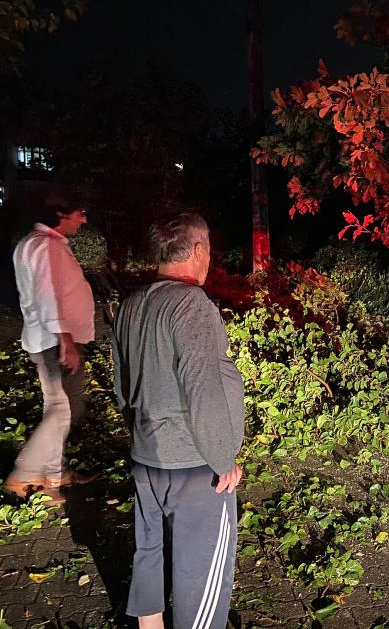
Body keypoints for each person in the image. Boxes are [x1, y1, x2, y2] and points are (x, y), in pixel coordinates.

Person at [112, 213, 244, 629]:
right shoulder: (191, 305)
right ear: (199, 250)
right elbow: (202, 386)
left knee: (149, 552)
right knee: (200, 573)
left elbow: (121, 387)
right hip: (194, 464)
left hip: (146, 457)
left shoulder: (132, 304)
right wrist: (223, 458)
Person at [4, 193, 98, 503]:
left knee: (57, 408)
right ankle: (26, 473)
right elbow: (47, 296)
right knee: (63, 410)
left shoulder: (34, 243)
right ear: (61, 213)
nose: (83, 219)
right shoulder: (45, 246)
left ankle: (55, 475)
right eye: (79, 212)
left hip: (45, 339)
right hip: (53, 342)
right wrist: (66, 341)